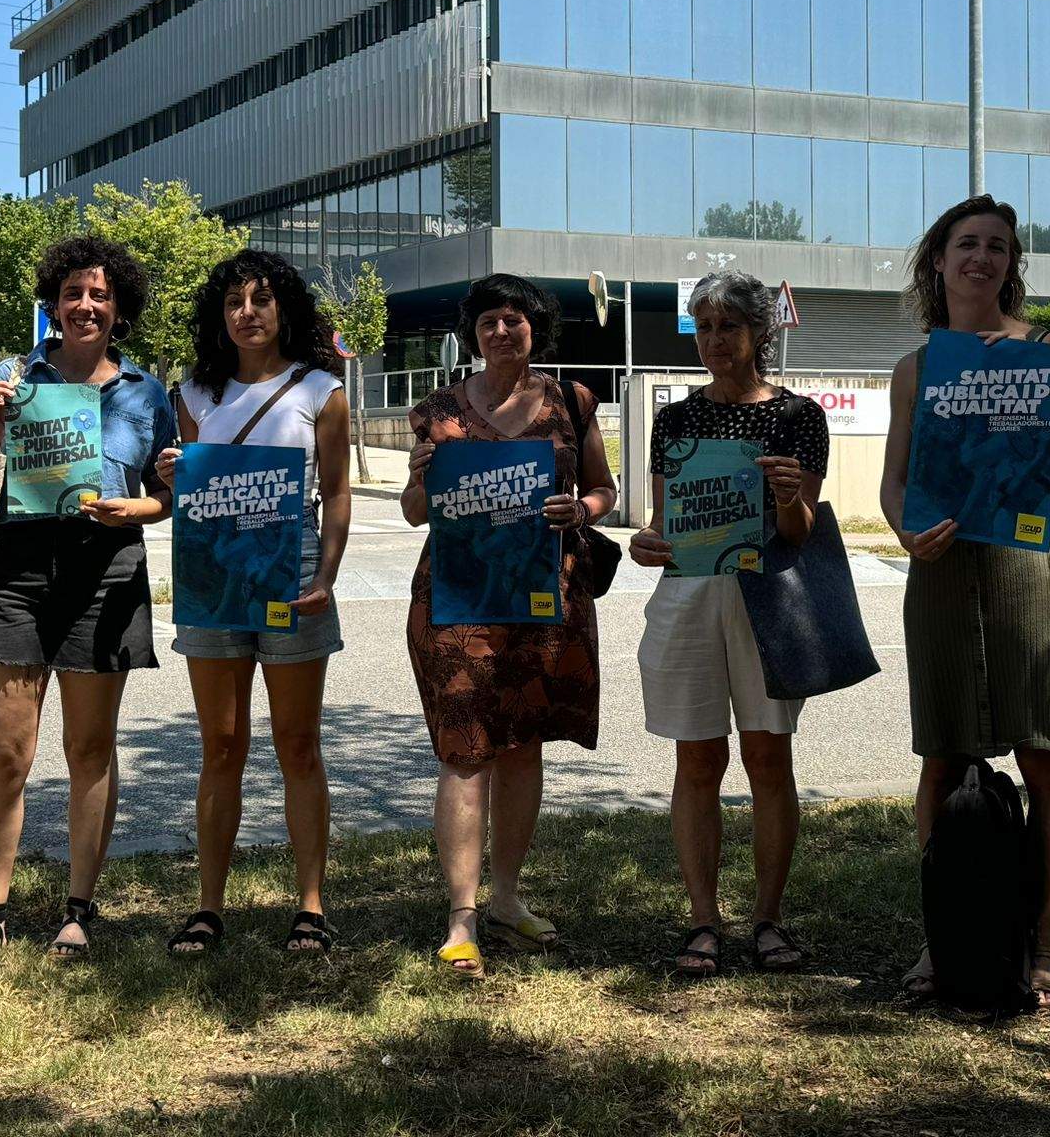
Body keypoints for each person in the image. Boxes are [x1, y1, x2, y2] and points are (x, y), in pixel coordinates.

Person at [880, 195, 1050, 1009]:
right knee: (943, 757)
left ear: (1010, 264)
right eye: (967, 243)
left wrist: (1006, 388)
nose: (982, 257)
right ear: (939, 260)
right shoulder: (916, 367)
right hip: (939, 569)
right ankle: (944, 938)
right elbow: (896, 480)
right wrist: (905, 530)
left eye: (998, 246)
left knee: (1042, 754)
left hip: (1024, 565)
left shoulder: (1047, 349)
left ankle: (1047, 941)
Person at [0, 235, 176, 960]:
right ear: (53, 302)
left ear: (119, 310)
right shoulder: (13, 377)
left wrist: (135, 508)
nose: (85, 305)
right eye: (73, 292)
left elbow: (165, 496)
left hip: (107, 569)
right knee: (6, 751)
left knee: (90, 748)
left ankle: (79, 908)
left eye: (100, 295)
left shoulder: (145, 392)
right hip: (18, 571)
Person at [402, 274, 616, 978]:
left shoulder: (573, 401)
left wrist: (582, 510)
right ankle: (461, 917)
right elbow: (414, 512)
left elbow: (603, 488)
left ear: (534, 328)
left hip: (543, 597)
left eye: (514, 319)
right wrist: (419, 477)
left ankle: (506, 898)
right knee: (465, 751)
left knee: (523, 747)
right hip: (458, 600)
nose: (501, 331)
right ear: (473, 333)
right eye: (488, 320)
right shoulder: (436, 411)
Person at [628, 271, 828, 977]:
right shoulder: (675, 421)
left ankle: (768, 918)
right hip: (689, 600)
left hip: (768, 601)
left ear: (759, 332)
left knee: (769, 760)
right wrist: (646, 544)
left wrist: (789, 499)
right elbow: (663, 526)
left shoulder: (798, 416)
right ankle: (703, 920)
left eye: (729, 327)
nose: (715, 341)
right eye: (704, 327)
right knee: (697, 762)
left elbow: (801, 532)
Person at [153, 249, 352, 956]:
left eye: (261, 300)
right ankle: (208, 907)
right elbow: (183, 489)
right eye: (234, 301)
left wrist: (327, 573)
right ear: (219, 316)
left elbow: (337, 493)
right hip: (213, 571)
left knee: (297, 743)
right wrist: (171, 474)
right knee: (221, 745)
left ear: (284, 309)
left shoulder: (321, 390)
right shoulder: (190, 395)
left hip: (291, 569)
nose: (247, 313)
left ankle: (310, 907)